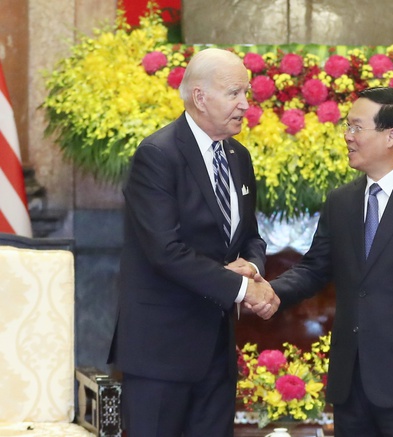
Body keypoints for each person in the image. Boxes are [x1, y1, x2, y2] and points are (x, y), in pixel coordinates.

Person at [266, 87, 393, 436]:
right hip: (352, 382)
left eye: (356, 127)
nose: (348, 136)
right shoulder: (341, 201)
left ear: (391, 135)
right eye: (347, 127)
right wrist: (266, 291)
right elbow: (314, 268)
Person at [108, 48, 280, 437]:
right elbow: (164, 251)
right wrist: (242, 288)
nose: (245, 105)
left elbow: (249, 236)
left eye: (247, 93)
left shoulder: (239, 156)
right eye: (235, 93)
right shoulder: (158, 154)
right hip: (160, 353)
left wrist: (252, 268)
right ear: (200, 97)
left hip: (216, 353)